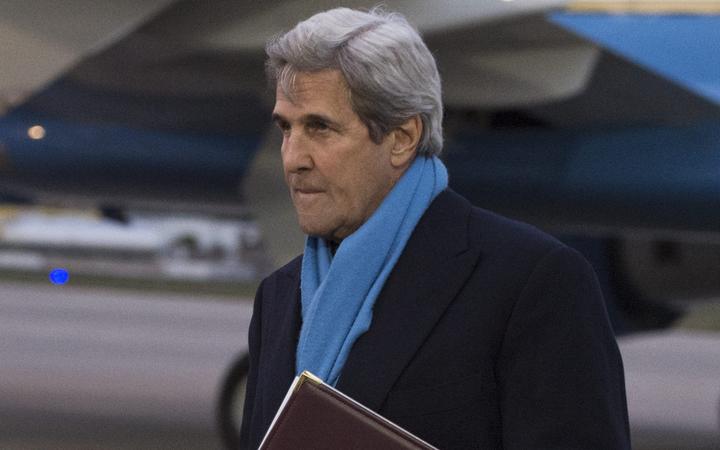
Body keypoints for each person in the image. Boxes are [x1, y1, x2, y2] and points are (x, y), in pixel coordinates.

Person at [240, 7, 630, 449]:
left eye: (320, 128)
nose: (293, 158)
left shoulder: (532, 282)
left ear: (403, 137)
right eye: (286, 128)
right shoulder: (278, 296)